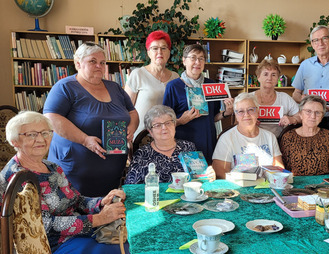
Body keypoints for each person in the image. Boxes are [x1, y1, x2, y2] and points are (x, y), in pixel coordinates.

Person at [0, 111, 129, 253]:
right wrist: (98, 219)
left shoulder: (52, 167)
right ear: (14, 141)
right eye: (31, 134)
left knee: (131, 237)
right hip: (52, 245)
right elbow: (43, 224)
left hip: (78, 233)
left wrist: (102, 202)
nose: (41, 139)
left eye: (45, 133)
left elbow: (76, 200)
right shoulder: (17, 177)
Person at [43, 42, 138, 197]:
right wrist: (85, 140)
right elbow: (51, 118)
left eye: (102, 62)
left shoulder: (114, 87)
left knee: (109, 214)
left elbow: (133, 112)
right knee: (77, 216)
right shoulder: (65, 87)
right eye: (92, 61)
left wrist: (132, 127)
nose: (99, 66)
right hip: (74, 172)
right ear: (78, 64)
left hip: (112, 171)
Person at [163, 44, 234, 164]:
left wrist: (227, 112)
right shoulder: (173, 86)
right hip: (183, 143)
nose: (197, 62)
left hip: (207, 142)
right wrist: (180, 120)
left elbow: (214, 117)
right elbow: (165, 121)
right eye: (193, 58)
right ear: (184, 61)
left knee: (208, 179)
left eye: (201, 58)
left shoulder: (212, 85)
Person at [212, 93, 284, 179]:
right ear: (236, 115)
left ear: (257, 112)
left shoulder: (270, 137)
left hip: (268, 187)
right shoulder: (226, 138)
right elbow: (220, 172)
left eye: (251, 109)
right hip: (239, 189)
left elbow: (279, 168)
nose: (246, 114)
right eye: (241, 111)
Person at [125, 30, 179, 140]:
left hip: (167, 136)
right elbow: (125, 109)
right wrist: (128, 138)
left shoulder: (175, 77)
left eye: (164, 48)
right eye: (154, 48)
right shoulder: (138, 74)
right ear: (148, 53)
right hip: (141, 136)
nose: (160, 52)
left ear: (169, 52)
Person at [124, 105, 196, 184]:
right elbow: (131, 186)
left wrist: (208, 175)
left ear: (174, 125)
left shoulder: (188, 147)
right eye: (157, 125)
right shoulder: (142, 154)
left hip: (186, 195)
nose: (164, 127)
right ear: (150, 132)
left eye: (168, 123)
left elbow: (199, 177)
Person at [280, 95, 329, 175]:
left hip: (323, 185)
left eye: (318, 113)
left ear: (322, 117)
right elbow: (282, 169)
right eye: (308, 111)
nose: (313, 116)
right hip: (295, 185)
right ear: (300, 114)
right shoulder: (288, 137)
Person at [251, 59, 300, 137]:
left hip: (278, 140)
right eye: (266, 74)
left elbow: (300, 116)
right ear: (258, 77)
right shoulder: (249, 98)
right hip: (253, 140)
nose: (269, 78)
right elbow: (237, 122)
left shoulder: (285, 98)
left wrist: (292, 119)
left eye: (273, 75)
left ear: (278, 79)